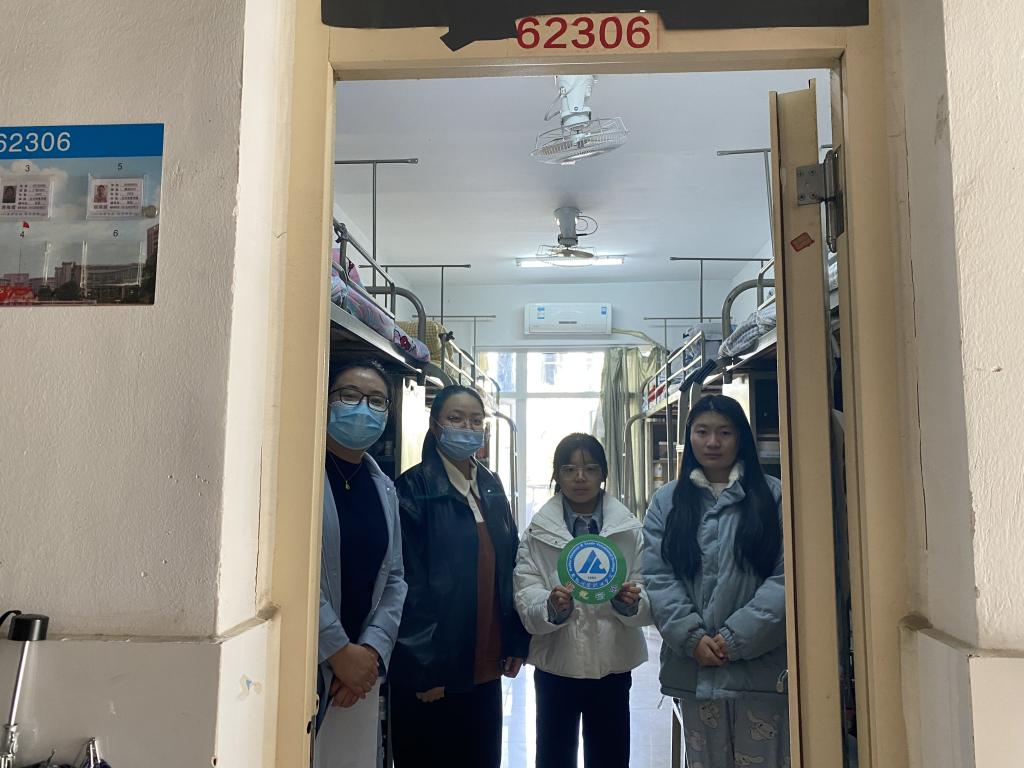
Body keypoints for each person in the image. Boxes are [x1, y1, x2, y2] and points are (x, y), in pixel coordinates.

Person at [642, 394, 787, 768]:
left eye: (724, 432)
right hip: (695, 669)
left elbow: (786, 579)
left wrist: (737, 638)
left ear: (741, 438)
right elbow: (658, 576)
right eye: (702, 431)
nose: (712, 442)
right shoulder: (667, 502)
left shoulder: (774, 496)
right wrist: (691, 637)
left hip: (762, 672)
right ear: (689, 437)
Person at [390, 385, 530, 768]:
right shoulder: (413, 489)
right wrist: (425, 668)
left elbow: (511, 565)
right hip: (436, 671)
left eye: (475, 420)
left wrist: (516, 639)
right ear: (435, 425)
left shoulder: (490, 485)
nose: (467, 428)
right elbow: (407, 583)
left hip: (485, 665)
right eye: (456, 419)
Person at [513, 432, 651, 768]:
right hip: (556, 666)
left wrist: (631, 602)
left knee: (610, 756)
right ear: (557, 475)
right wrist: (550, 607)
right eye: (569, 469)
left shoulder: (629, 531)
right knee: (554, 756)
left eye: (590, 469)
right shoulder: (537, 533)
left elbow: (649, 586)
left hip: (612, 665)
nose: (580, 477)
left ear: (603, 474)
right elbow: (525, 590)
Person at [315, 358, 407, 768]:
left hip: (360, 678)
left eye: (376, 401)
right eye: (349, 396)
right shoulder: (302, 476)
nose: (363, 409)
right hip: (313, 661)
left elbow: (395, 578)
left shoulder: (383, 487)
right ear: (326, 400)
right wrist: (338, 651)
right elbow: (293, 576)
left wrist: (370, 651)